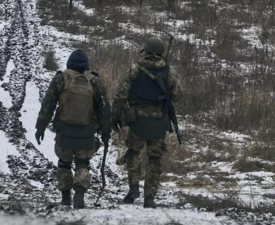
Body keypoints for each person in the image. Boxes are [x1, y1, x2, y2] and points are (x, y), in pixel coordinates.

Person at [35, 50, 111, 209]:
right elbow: (104, 109)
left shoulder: (60, 79)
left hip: (64, 131)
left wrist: (40, 127)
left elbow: (48, 105)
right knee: (83, 163)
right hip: (87, 131)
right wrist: (105, 132)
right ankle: (79, 193)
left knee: (64, 163)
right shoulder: (94, 81)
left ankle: (65, 198)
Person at [111, 36, 181, 209]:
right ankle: (149, 198)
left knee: (133, 152)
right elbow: (178, 95)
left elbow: (121, 95)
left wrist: (114, 116)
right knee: (155, 158)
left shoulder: (135, 69)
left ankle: (134, 187)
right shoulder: (169, 71)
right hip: (159, 122)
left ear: (146, 50)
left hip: (137, 120)